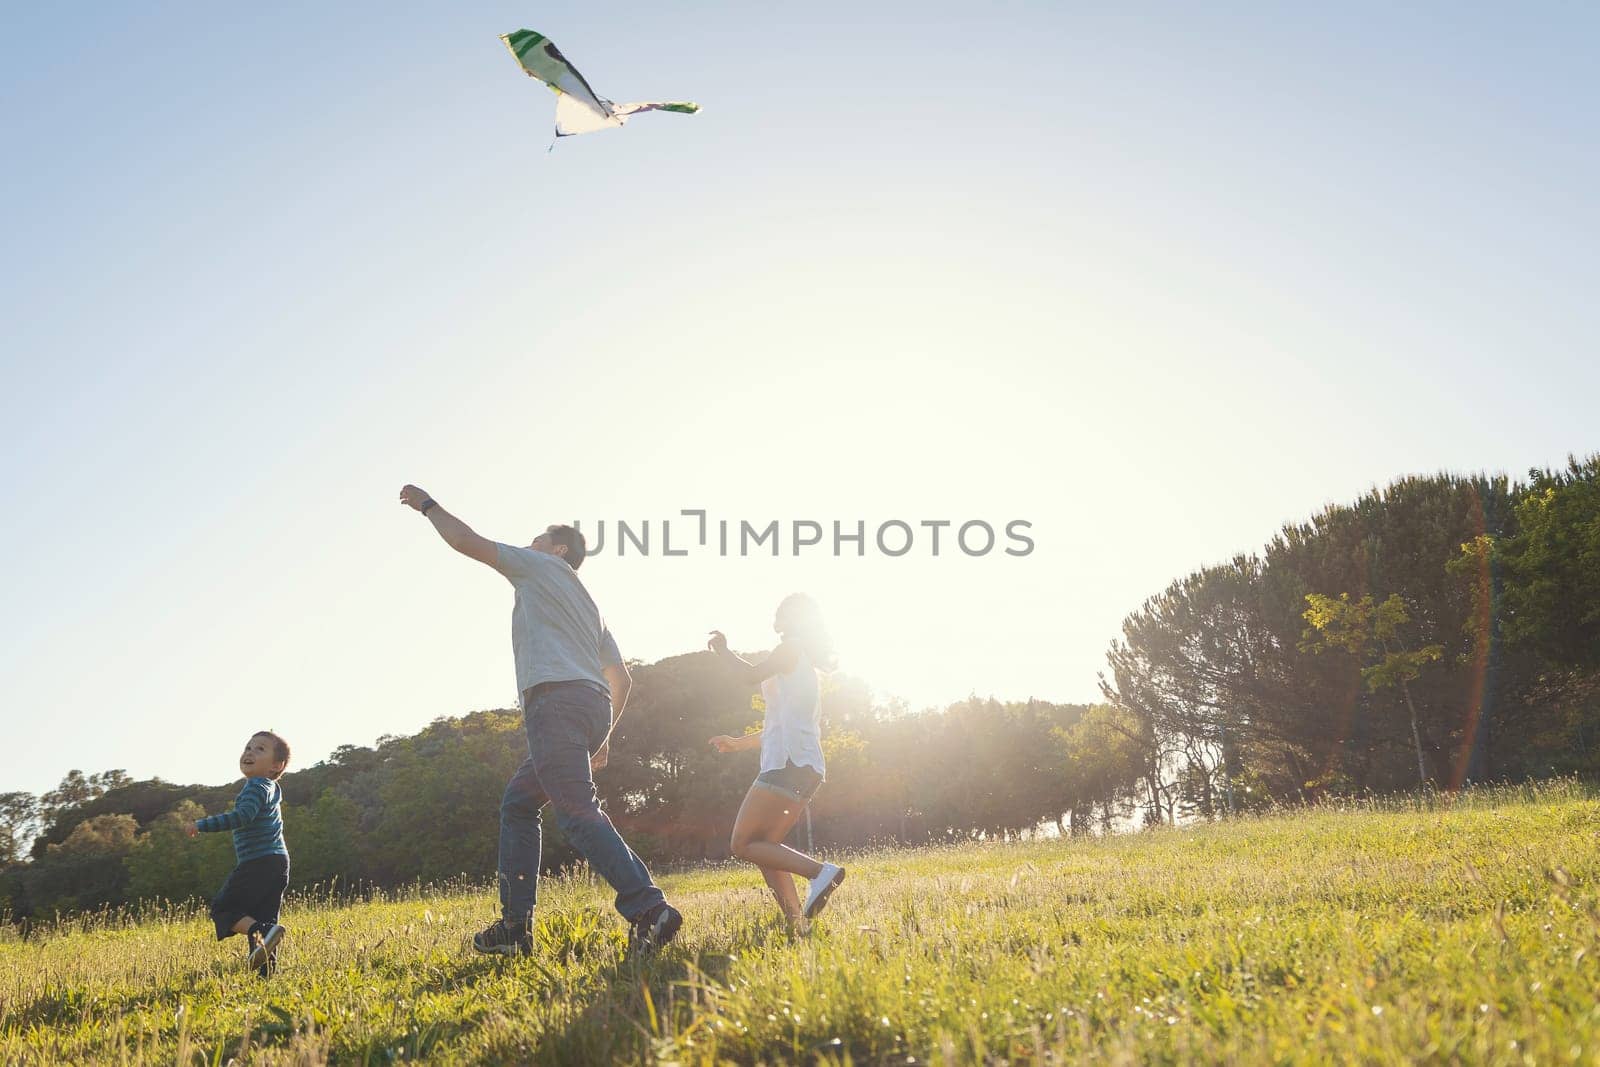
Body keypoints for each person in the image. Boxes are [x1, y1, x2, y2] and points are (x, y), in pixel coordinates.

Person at [398, 484, 681, 955]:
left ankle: (650, 909)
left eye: (536, 538)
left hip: (555, 706)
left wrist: (429, 506)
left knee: (575, 811)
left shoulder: (540, 566)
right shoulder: (591, 607)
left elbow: (468, 542)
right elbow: (622, 678)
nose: (527, 545)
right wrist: (603, 735)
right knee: (519, 803)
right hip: (590, 709)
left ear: (558, 549)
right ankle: (514, 928)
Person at [707, 593, 845, 927]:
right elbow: (780, 725)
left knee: (742, 844)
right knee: (765, 847)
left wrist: (724, 651)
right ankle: (798, 924)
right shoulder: (800, 661)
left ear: (796, 619)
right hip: (804, 766)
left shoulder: (790, 649)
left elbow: (748, 676)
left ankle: (821, 873)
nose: (776, 615)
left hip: (788, 765)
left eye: (782, 611)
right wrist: (739, 744)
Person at [187, 731, 291, 976]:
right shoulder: (270, 787)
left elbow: (242, 817)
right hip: (277, 862)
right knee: (263, 917)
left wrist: (202, 825)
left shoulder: (256, 786)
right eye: (248, 747)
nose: (249, 752)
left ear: (277, 765)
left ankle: (262, 932)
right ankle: (265, 976)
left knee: (224, 909)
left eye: (260, 749)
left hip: (259, 861)